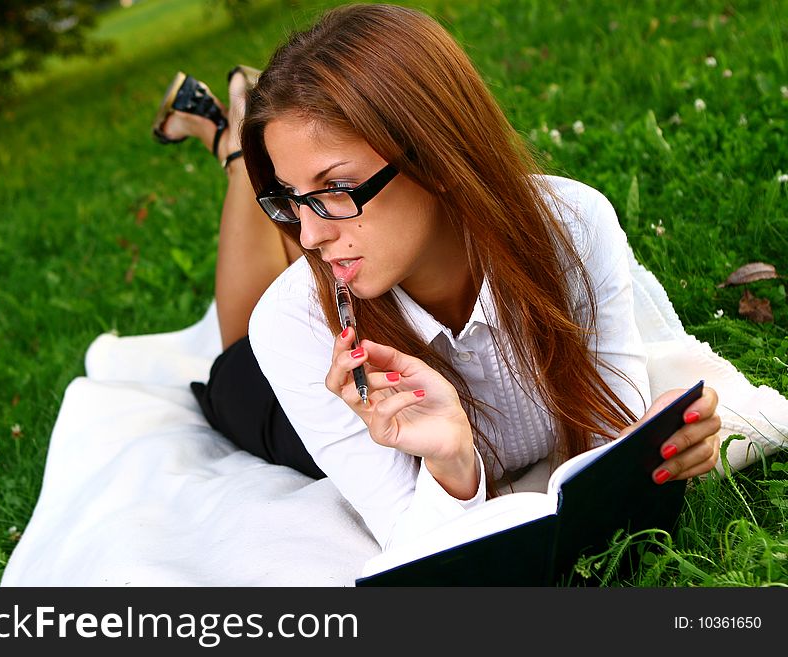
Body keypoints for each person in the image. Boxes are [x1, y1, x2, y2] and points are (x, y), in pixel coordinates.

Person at [151, 3, 721, 551]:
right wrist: (450, 467)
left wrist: (658, 449)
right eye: (288, 198)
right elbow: (418, 552)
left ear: (436, 156)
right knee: (239, 346)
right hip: (277, 379)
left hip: (367, 278)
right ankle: (232, 150)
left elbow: (608, 453)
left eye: (336, 187)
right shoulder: (289, 327)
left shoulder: (571, 227)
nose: (306, 237)